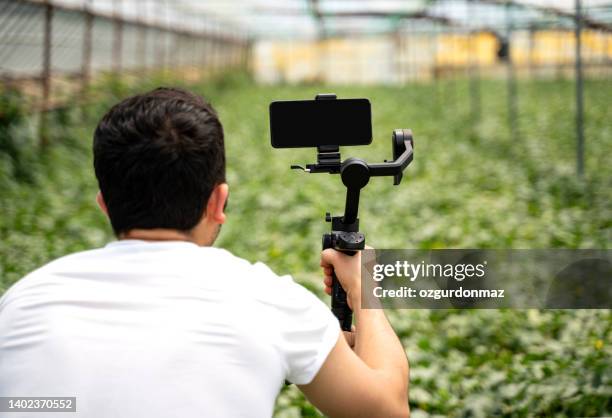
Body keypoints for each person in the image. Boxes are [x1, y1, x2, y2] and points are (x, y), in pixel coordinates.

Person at [0, 88, 409, 418]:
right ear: (219, 202)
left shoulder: (20, 303)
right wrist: (365, 286)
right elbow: (387, 410)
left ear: (105, 202)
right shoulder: (271, 302)